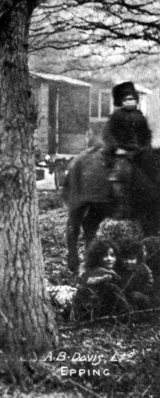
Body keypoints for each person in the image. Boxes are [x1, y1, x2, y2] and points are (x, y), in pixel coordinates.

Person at [102, 81, 152, 217]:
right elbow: (109, 134)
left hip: (139, 151)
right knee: (121, 174)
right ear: (121, 102)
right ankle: (121, 206)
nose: (129, 102)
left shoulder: (140, 116)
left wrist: (145, 147)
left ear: (136, 101)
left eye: (132, 99)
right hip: (121, 152)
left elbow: (146, 134)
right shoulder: (116, 117)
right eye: (126, 100)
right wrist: (116, 148)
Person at [71, 239, 131, 321]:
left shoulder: (115, 271)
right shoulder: (90, 270)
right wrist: (102, 279)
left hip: (107, 308)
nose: (109, 259)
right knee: (111, 287)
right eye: (105, 256)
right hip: (90, 307)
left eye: (112, 255)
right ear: (97, 257)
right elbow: (86, 281)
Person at [116, 239, 154, 310]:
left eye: (132, 258)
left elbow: (148, 289)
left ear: (137, 259)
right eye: (125, 258)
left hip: (138, 300)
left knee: (134, 295)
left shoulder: (144, 270)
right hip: (120, 300)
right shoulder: (118, 269)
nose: (128, 262)